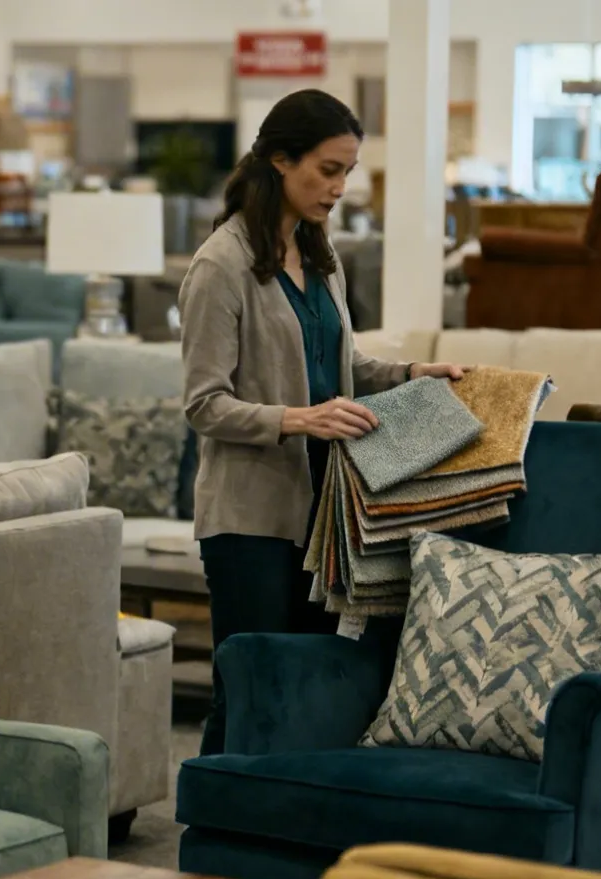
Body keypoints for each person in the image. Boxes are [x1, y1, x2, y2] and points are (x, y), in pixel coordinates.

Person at [179, 89, 464, 756]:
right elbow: (203, 403)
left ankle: (280, 831)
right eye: (327, 170)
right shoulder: (220, 266)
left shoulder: (318, 256)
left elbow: (340, 362)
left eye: (347, 172)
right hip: (250, 520)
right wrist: (297, 419)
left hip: (324, 516)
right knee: (249, 688)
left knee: (305, 682)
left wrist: (412, 374)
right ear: (281, 161)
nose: (339, 188)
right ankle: (210, 824)